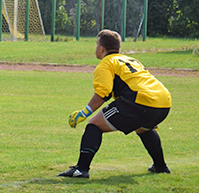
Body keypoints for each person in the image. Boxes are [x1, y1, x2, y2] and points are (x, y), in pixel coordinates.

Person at [60, 29, 172, 179]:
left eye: (96, 44)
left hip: (140, 102)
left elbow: (102, 94)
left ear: (101, 48)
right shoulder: (132, 60)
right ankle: (160, 166)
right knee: (143, 128)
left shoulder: (106, 64)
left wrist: (84, 113)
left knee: (94, 125)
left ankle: (81, 170)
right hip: (163, 101)